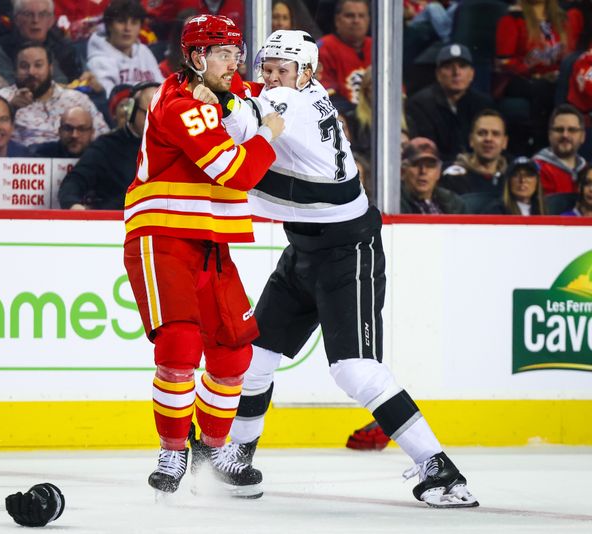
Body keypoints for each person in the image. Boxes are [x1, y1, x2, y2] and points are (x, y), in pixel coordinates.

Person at [196, 29, 477, 508]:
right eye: (267, 67)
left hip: (349, 253)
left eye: (283, 69)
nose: (272, 76)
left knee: (356, 371)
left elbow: (242, 123)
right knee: (254, 358)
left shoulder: (293, 104)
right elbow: (249, 111)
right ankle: (236, 456)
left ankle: (441, 470)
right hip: (305, 248)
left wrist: (203, 90)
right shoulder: (295, 94)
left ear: (306, 74)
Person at [121, 14, 284, 498]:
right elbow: (233, 171)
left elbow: (271, 92)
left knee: (234, 352)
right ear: (196, 57)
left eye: (238, 53)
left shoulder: (223, 88)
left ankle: (211, 451)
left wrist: (288, 87)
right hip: (163, 237)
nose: (236, 63)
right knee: (179, 350)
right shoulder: (177, 104)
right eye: (225, 54)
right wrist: (269, 132)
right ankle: (173, 449)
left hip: (211, 242)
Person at [58, 83, 159, 209]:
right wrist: (74, 205)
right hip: (117, 223)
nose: (157, 121)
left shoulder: (175, 146)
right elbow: (74, 182)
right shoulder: (107, 146)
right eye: (149, 114)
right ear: (131, 110)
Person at [495, 0, 572, 154]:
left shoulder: (561, 19)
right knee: (544, 89)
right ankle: (540, 148)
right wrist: (534, 73)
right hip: (518, 79)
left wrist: (556, 73)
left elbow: (568, 57)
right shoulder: (512, 19)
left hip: (552, 79)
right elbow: (504, 62)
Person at [0, 42, 109, 146]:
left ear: (50, 69)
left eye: (38, 65)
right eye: (24, 66)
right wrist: (10, 110)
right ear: (15, 70)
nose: (31, 72)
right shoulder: (2, 99)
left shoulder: (77, 100)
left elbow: (104, 139)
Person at [407, 44, 494, 163]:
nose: (456, 72)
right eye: (448, 67)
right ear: (438, 74)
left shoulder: (484, 104)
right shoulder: (420, 104)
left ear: (472, 74)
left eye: (462, 66)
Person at [0, 0, 90, 88]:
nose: (35, 20)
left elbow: (81, 81)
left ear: (51, 20)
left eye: (43, 14)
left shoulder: (65, 47)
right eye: (28, 14)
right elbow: (8, 89)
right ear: (16, 19)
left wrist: (90, 84)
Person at [86, 0, 165, 97]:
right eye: (121, 21)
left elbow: (162, 86)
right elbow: (110, 99)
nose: (128, 28)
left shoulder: (144, 51)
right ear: (109, 25)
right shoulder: (98, 61)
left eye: (134, 22)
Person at [316, 0, 372, 113]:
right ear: (337, 20)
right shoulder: (323, 48)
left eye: (361, 16)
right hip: (342, 117)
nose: (356, 21)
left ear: (368, 20)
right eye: (350, 15)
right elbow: (325, 97)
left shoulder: (380, 47)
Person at [441, 109, 509, 196]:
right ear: (471, 140)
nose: (488, 139)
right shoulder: (450, 176)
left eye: (495, 134)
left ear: (504, 142)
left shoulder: (512, 179)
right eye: (482, 133)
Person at [401, 137, 467, 214]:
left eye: (430, 166)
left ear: (438, 173)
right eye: (416, 164)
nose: (423, 171)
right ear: (403, 171)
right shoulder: (393, 204)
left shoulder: (454, 203)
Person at [533, 104, 588, 194]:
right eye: (559, 130)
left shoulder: (587, 171)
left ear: (583, 136)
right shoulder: (534, 170)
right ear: (549, 135)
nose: (565, 135)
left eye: (572, 130)